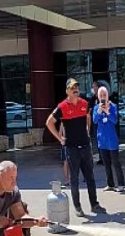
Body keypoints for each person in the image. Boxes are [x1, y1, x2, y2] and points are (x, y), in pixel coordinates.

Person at [45, 78, 106, 217]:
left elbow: (88, 117)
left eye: (77, 87)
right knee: (74, 179)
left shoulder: (84, 104)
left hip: (85, 146)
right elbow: (49, 122)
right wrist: (60, 138)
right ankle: (78, 207)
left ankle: (94, 204)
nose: (75, 89)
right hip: (71, 148)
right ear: (67, 91)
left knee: (90, 177)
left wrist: (87, 131)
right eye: (72, 87)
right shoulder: (62, 107)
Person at [93, 86, 125, 192]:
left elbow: (115, 120)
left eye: (104, 95)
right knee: (106, 163)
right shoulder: (96, 108)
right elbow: (94, 121)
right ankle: (110, 184)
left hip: (112, 139)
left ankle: (121, 184)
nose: (102, 97)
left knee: (115, 162)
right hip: (102, 140)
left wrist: (107, 111)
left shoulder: (113, 106)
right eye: (101, 95)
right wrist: (99, 111)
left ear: (107, 96)